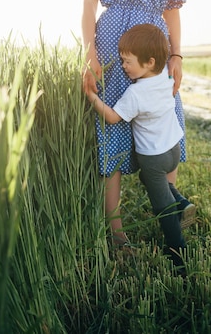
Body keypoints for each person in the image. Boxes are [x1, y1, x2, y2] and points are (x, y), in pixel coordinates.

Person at [79, 0, 193, 246]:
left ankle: (170, 210)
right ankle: (116, 232)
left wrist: (176, 55)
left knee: (163, 115)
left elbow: (172, 11)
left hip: (156, 45)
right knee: (113, 127)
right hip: (115, 44)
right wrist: (90, 52)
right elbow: (87, 10)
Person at [86, 23, 192, 268]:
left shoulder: (135, 94)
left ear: (150, 62)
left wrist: (92, 96)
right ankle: (182, 202)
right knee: (150, 180)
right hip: (173, 149)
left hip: (153, 159)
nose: (123, 66)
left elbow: (112, 117)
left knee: (161, 206)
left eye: (128, 61)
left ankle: (178, 251)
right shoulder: (166, 75)